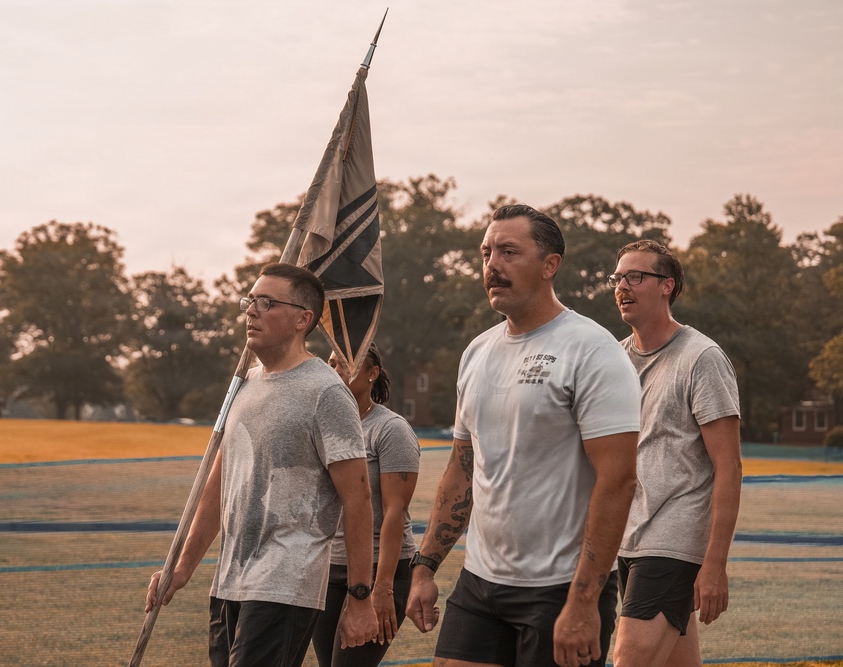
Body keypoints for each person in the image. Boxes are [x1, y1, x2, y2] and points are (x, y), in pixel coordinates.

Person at [405, 203, 642, 667]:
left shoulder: (591, 350)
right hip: (480, 582)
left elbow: (619, 481)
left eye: (509, 251)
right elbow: (462, 467)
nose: (493, 264)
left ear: (550, 265)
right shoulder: (477, 352)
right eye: (487, 252)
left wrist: (584, 602)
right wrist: (425, 565)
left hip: (559, 588)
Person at [145, 262, 378, 667]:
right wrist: (182, 568)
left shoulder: (326, 392)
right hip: (230, 580)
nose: (250, 311)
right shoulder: (244, 384)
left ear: (303, 319)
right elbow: (216, 488)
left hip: (285, 581)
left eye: (266, 302)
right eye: (249, 301)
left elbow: (357, 499)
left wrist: (360, 598)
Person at [609, 240, 742, 667]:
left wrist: (715, 564)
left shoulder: (701, 358)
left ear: (667, 285)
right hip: (625, 535)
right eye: (617, 278)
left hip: (673, 539)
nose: (622, 287)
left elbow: (729, 467)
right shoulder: (613, 359)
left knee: (630, 658)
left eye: (636, 277)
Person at [312, 343, 421, 667]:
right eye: (330, 364)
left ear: (372, 373)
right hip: (327, 571)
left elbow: (394, 512)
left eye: (344, 365)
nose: (334, 372)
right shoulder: (322, 427)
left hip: (379, 572)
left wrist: (383, 588)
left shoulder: (391, 430)